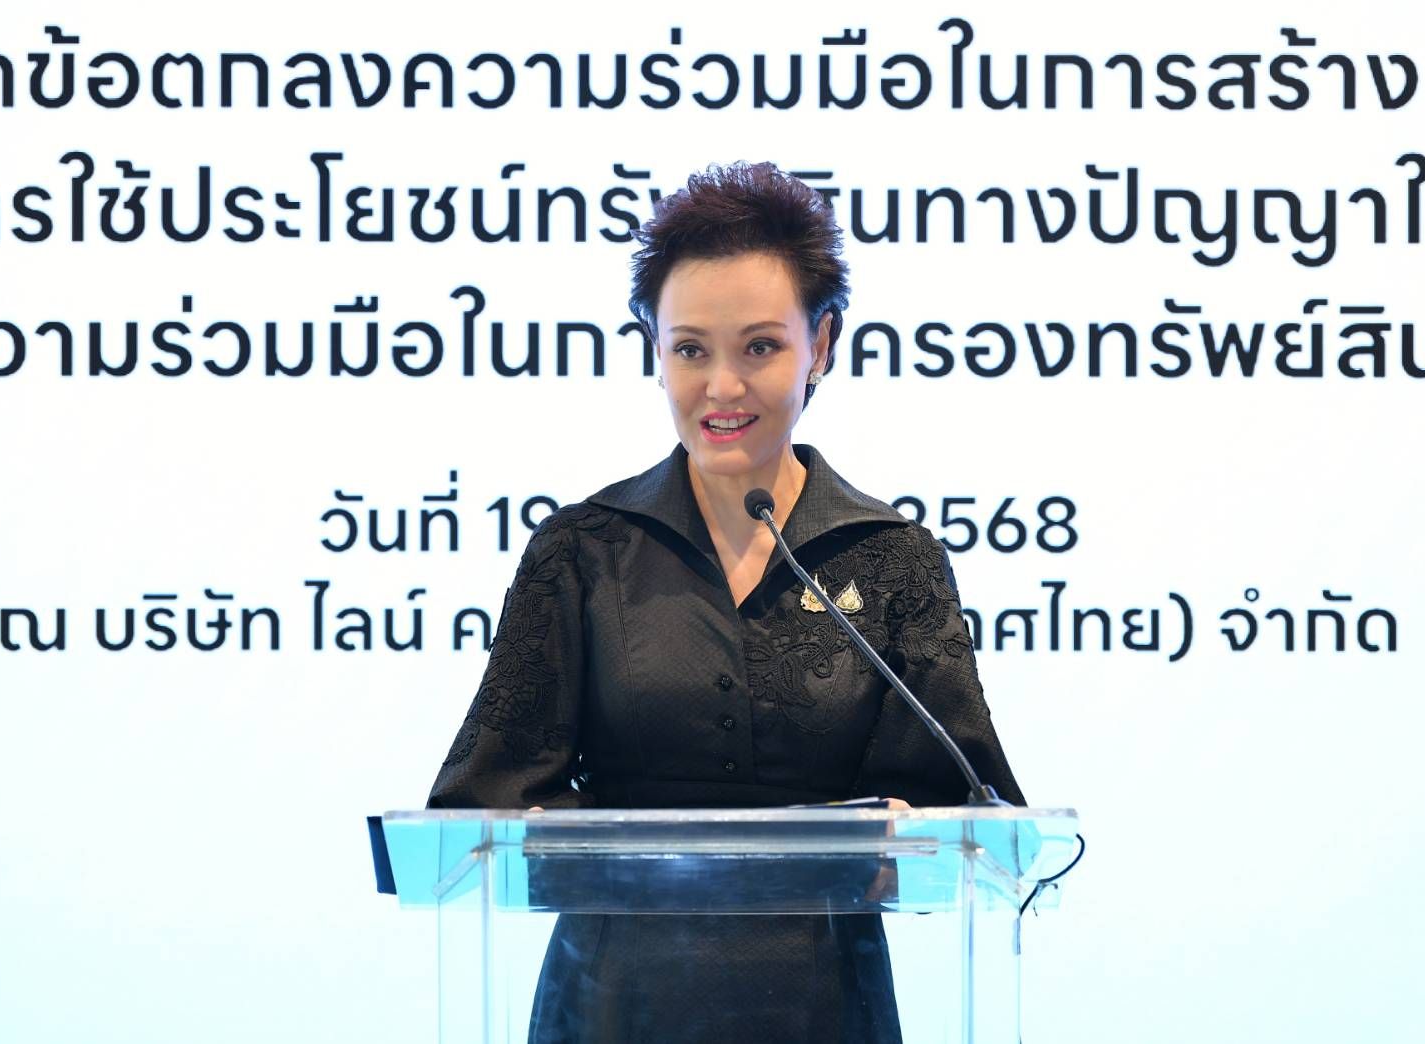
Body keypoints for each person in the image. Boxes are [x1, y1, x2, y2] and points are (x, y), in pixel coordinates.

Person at [426, 160, 1026, 1043]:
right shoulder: (582, 552)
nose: (721, 387)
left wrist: (911, 828)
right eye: (689, 350)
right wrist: (612, 844)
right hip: (614, 1005)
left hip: (825, 1009)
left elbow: (961, 809)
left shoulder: (891, 559)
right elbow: (486, 801)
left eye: (759, 347)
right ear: (653, 349)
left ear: (822, 344)